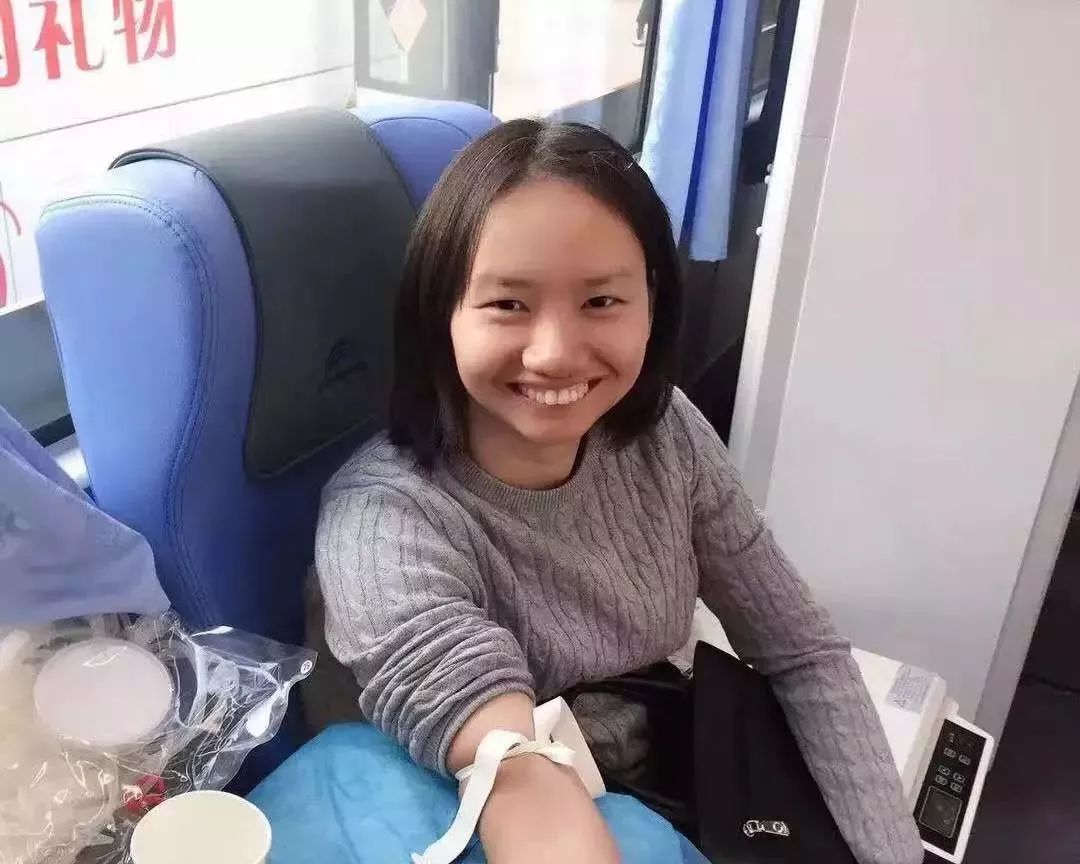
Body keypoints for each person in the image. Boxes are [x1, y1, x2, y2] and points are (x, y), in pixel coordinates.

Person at [311, 119, 923, 864]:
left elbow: (801, 650)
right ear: (441, 315)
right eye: (508, 304)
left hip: (677, 767)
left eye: (601, 301)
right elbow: (511, 765)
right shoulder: (384, 520)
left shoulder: (663, 430)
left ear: (651, 304)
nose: (555, 354)